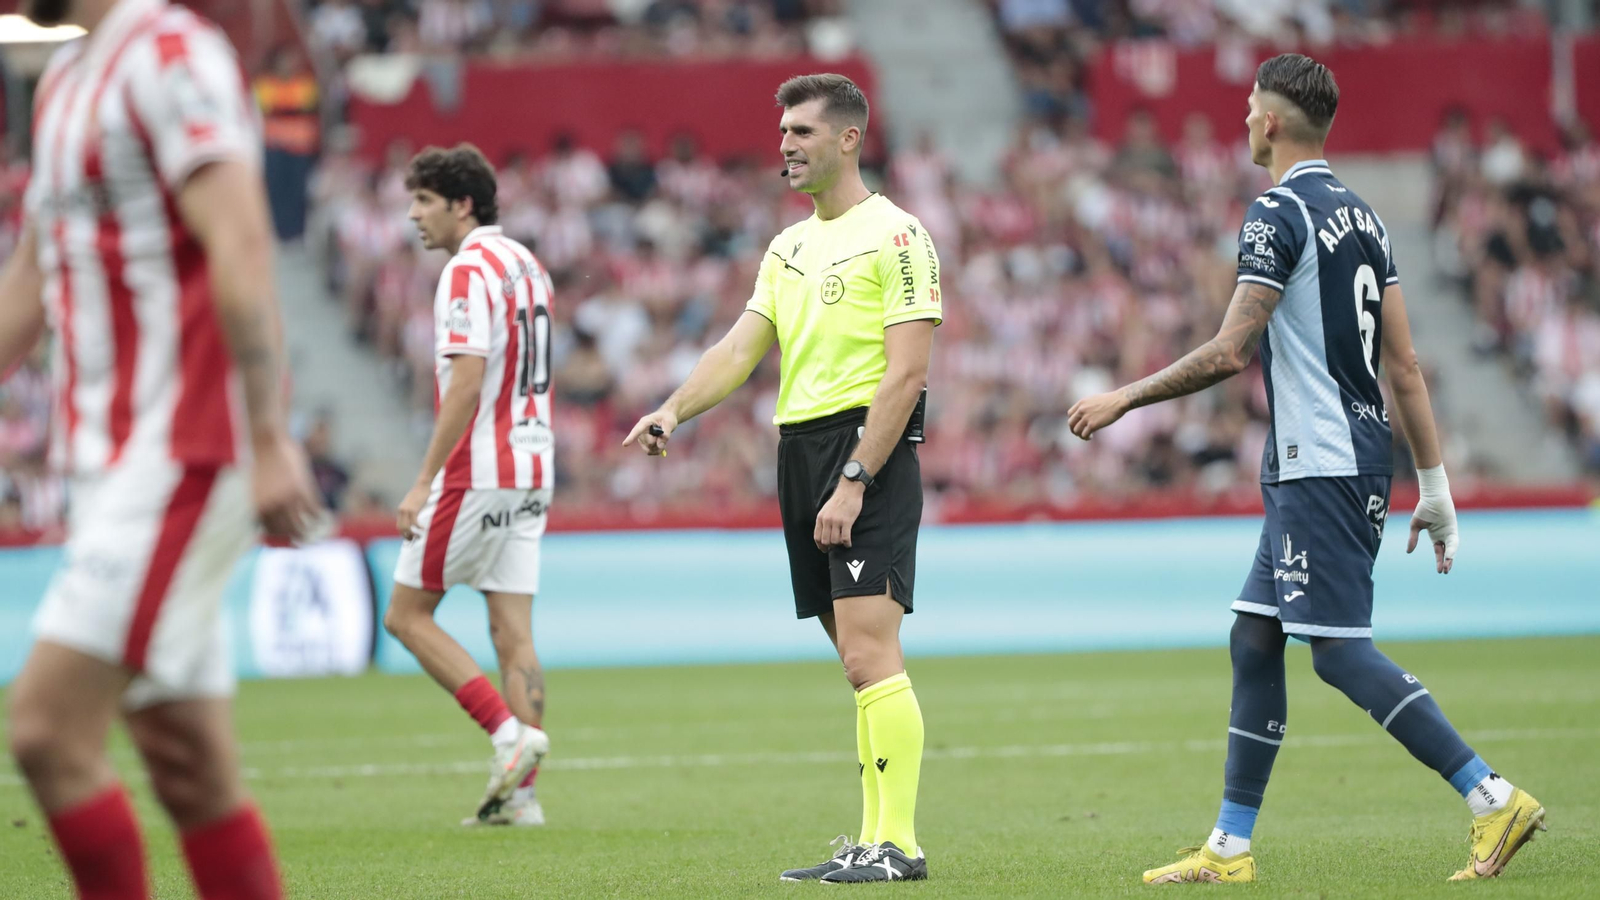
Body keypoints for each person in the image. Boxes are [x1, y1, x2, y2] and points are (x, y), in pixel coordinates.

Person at [1067, 53, 1546, 885]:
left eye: (1250, 106)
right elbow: (1405, 367)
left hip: (1320, 462)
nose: (1244, 119)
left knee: (1333, 651)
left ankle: (1490, 795)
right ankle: (1228, 846)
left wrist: (1123, 398)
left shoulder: (1274, 214)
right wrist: (1433, 487)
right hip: (1336, 461)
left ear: (1273, 122)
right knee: (1255, 638)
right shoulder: (1364, 218)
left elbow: (1230, 350)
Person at [0, 0, 325, 897]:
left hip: (184, 451)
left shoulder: (173, 55)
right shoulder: (64, 78)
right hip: (105, 464)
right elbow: (34, 270)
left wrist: (266, 436)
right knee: (188, 767)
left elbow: (241, 238)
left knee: (46, 732)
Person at [624, 73, 942, 884]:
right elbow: (738, 349)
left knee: (873, 656)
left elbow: (905, 375)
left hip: (861, 450)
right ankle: (875, 840)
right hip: (797, 452)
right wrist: (672, 409)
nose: (786, 147)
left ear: (847, 139)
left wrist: (857, 477)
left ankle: (899, 844)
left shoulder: (899, 236)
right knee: (855, 663)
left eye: (801, 132)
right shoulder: (787, 245)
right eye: (782, 135)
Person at [382, 144, 554, 827]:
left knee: (405, 614)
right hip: (534, 466)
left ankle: (509, 737)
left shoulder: (466, 270)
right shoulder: (528, 265)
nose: (412, 216)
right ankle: (523, 797)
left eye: (423, 201)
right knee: (512, 630)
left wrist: (423, 480)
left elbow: (467, 380)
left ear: (463, 204)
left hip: (479, 468)